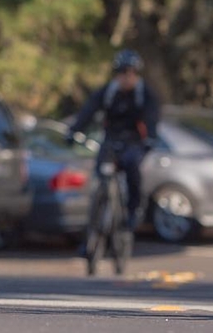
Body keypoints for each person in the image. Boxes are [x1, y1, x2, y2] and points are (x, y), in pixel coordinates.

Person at [67, 49, 159, 231]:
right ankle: (93, 231)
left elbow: (152, 117)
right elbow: (89, 110)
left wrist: (150, 138)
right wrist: (73, 130)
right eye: (122, 73)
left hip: (133, 141)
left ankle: (133, 211)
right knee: (100, 175)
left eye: (130, 73)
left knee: (133, 167)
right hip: (111, 139)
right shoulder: (108, 92)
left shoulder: (144, 94)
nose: (126, 78)